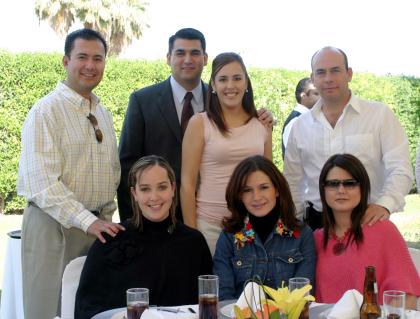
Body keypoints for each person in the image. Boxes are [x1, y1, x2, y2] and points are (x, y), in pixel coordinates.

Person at [17, 28, 124, 319]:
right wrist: (90, 222)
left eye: (98, 58)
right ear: (66, 61)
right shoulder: (45, 112)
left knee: (89, 310)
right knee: (49, 311)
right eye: (82, 57)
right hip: (54, 229)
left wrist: (103, 218)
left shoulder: (102, 112)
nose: (90, 65)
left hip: (95, 229)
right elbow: (42, 184)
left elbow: (112, 172)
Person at [118, 28, 273, 222]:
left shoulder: (223, 97)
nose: (188, 59)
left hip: (213, 214)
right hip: (159, 213)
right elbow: (127, 166)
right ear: (168, 57)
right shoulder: (142, 101)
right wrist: (130, 222)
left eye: (195, 53)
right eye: (180, 53)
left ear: (205, 58)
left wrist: (263, 118)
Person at [283, 46, 413, 230]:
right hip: (317, 226)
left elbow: (400, 167)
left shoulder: (379, 115)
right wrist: (294, 224)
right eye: (321, 72)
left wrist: (385, 203)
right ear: (313, 79)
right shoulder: (300, 126)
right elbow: (292, 181)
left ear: (349, 74)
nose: (328, 78)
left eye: (335, 70)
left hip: (368, 220)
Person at [75, 155, 213, 319]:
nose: (154, 197)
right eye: (145, 189)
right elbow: (85, 310)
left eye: (162, 187)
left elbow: (208, 308)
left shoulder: (194, 243)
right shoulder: (110, 240)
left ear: (173, 188)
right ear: (134, 193)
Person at [181, 53, 273, 254]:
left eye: (237, 78)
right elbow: (187, 185)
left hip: (254, 226)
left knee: (254, 286)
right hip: (210, 227)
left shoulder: (262, 124)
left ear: (246, 83)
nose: (230, 85)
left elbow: (270, 180)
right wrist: (191, 235)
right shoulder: (200, 123)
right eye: (223, 79)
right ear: (213, 85)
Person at [314, 153, 420, 308]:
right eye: (333, 183)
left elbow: (406, 298)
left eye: (350, 183)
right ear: (323, 190)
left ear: (362, 189)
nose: (341, 190)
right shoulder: (315, 239)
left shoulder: (384, 230)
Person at [213, 155, 316, 300]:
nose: (256, 197)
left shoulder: (303, 235)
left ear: (277, 190)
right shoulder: (229, 236)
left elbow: (301, 297)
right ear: (239, 196)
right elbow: (224, 297)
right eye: (247, 190)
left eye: (264, 187)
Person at [281, 77, 319, 158]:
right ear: (303, 96)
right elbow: (291, 156)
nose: (320, 98)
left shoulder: (311, 118)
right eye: (316, 94)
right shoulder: (295, 121)